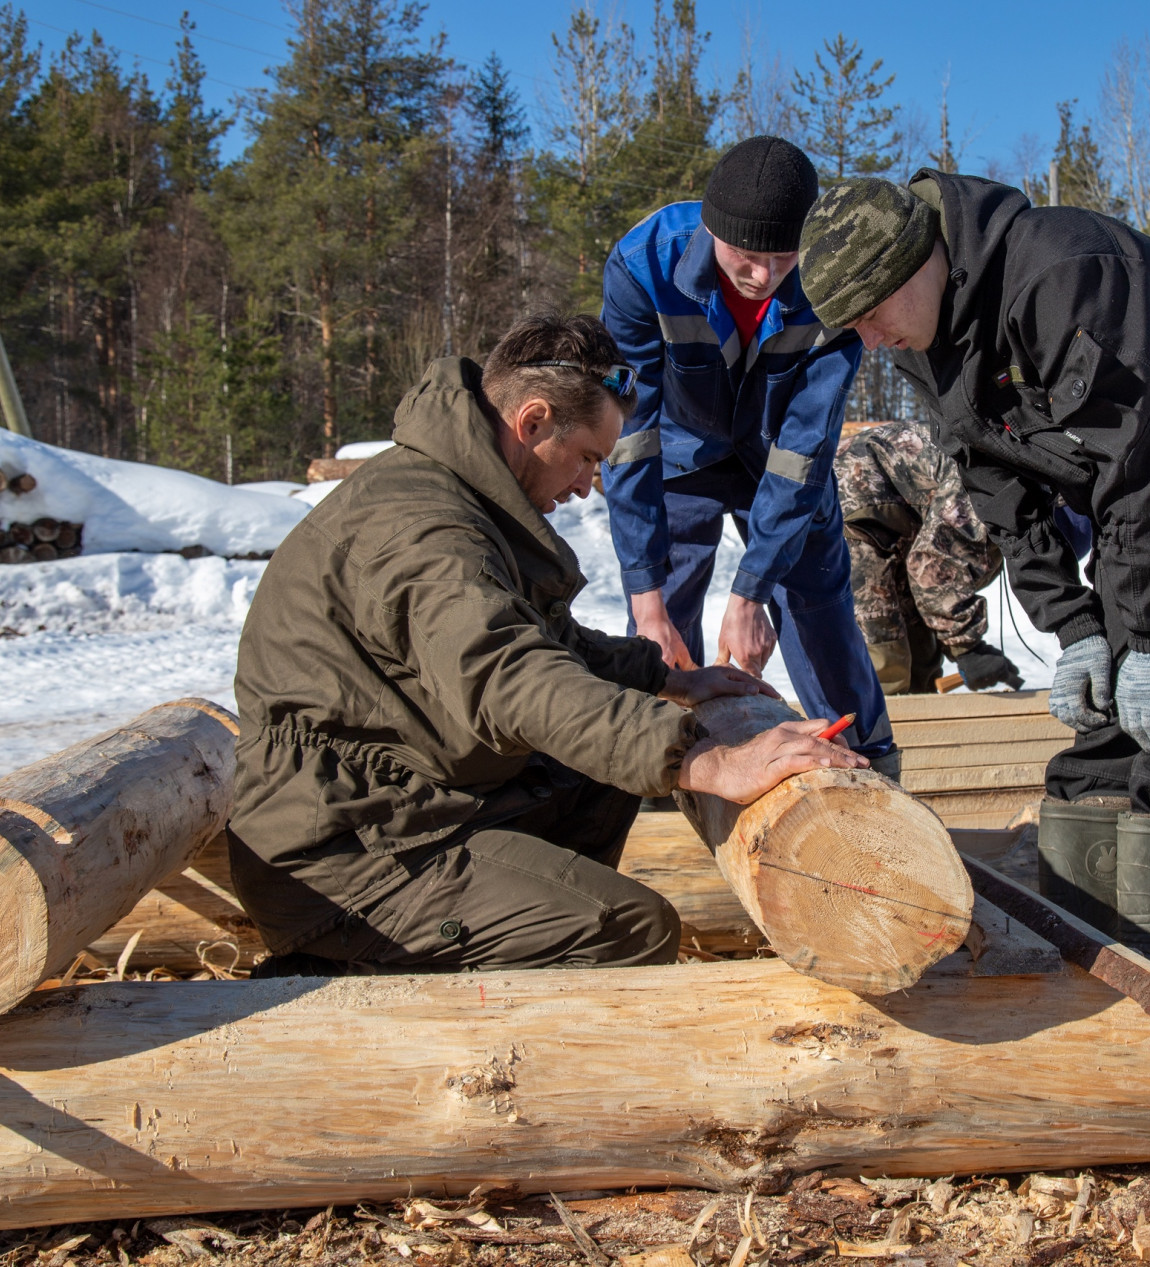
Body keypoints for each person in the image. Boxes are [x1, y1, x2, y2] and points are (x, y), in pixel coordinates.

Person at [798, 171, 1150, 976]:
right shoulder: (924, 336)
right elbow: (997, 488)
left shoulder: (1059, 269)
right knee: (1104, 718)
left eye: (871, 315)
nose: (870, 341)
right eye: (854, 329)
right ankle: (1084, 952)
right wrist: (1075, 624)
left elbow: (1134, 459)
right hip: (1136, 482)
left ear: (916, 261)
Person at [227, 313, 866, 976]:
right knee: (630, 928)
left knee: (598, 776)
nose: (588, 484)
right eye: (587, 456)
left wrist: (664, 680)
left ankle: (533, 945)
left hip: (406, 801)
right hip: (341, 855)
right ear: (532, 421)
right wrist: (711, 759)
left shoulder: (458, 492)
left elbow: (539, 639)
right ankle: (359, 977)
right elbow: (511, 677)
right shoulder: (423, 532)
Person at [600, 135, 898, 773]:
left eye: (783, 257)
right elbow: (628, 432)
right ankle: (656, 762)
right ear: (711, 228)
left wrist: (750, 593)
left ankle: (869, 762)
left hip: (780, 459)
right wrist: (644, 599)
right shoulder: (643, 264)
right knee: (661, 615)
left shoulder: (831, 281)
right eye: (746, 255)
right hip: (682, 455)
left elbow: (803, 451)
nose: (763, 276)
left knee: (816, 604)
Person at [834, 417, 1023, 695]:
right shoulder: (1000, 483)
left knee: (920, 662)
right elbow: (935, 564)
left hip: (895, 512)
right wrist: (967, 648)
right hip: (850, 504)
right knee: (884, 664)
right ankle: (880, 721)